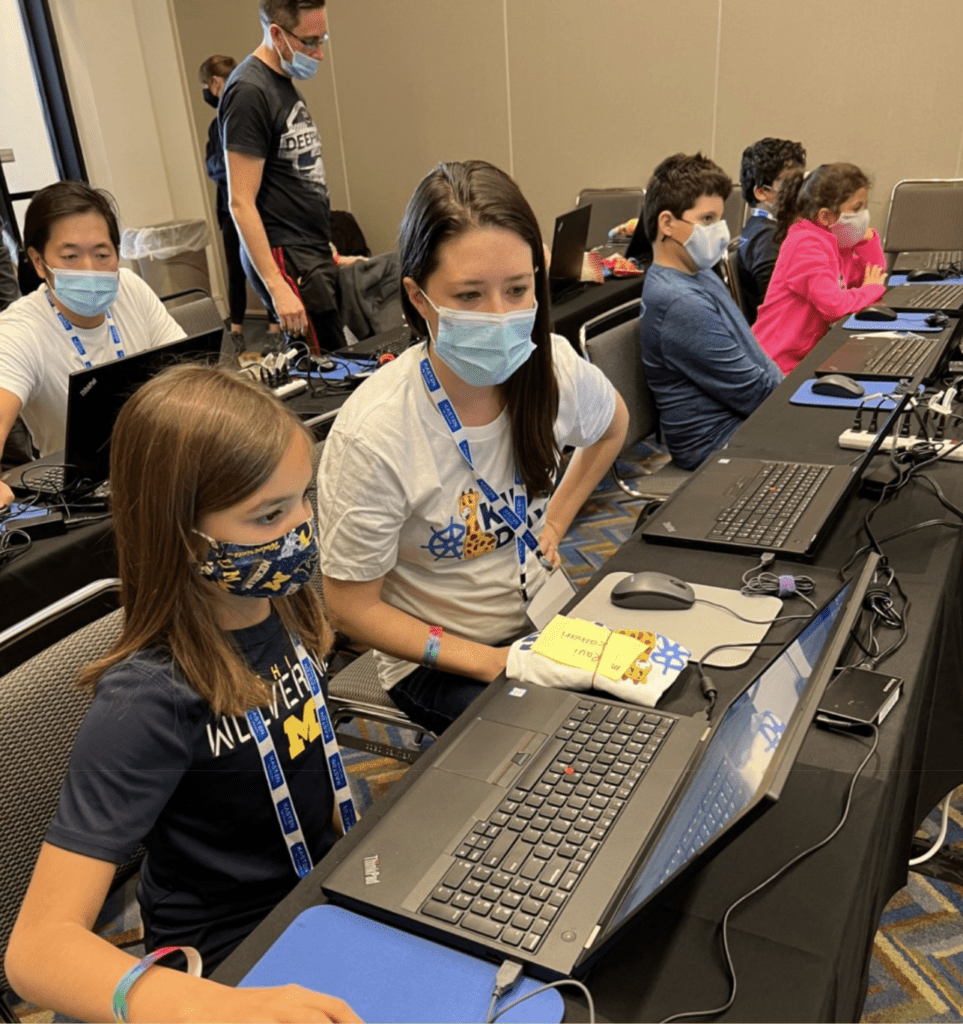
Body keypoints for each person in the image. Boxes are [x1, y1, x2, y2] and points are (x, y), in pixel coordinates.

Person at [5, 364, 361, 1023]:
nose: (302, 529)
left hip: (318, 899)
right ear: (182, 535)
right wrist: (213, 1008)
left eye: (303, 498)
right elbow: (35, 951)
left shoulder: (280, 606)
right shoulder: (146, 700)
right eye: (269, 515)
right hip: (224, 963)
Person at [317, 160, 629, 735]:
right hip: (439, 660)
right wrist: (491, 663)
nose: (501, 316)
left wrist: (554, 525)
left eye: (518, 289)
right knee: (563, 743)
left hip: (538, 621)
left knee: (640, 712)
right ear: (417, 297)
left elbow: (613, 427)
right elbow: (349, 604)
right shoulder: (376, 432)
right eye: (469, 295)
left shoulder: (551, 365)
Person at [0, 181, 184, 506]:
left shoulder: (130, 288)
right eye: (70, 256)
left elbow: (189, 375)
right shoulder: (19, 329)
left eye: (102, 254)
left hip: (163, 462)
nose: (90, 270)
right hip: (84, 497)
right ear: (39, 262)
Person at [219, 0, 352, 354]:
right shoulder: (249, 91)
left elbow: (294, 182)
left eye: (322, 39)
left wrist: (327, 252)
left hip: (308, 252)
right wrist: (277, 285)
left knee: (341, 358)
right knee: (330, 370)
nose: (319, 54)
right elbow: (240, 201)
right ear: (276, 34)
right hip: (286, 259)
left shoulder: (281, 83)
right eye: (309, 42)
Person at [639, 153, 783, 470]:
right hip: (714, 444)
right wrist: (795, 402)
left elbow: (754, 354)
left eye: (718, 219)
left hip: (737, 423)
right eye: (707, 220)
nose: (718, 230)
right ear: (667, 223)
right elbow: (753, 393)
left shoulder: (700, 273)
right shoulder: (677, 300)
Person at [753, 163, 888, 374]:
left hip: (804, 358)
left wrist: (866, 241)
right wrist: (870, 290)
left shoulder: (834, 243)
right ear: (825, 217)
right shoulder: (806, 246)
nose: (863, 215)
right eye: (856, 208)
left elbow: (873, 275)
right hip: (777, 363)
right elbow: (833, 306)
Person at [198, 54, 279, 352]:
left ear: (216, 84)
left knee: (263, 266)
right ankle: (236, 330)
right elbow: (213, 165)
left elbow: (240, 164)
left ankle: (274, 328)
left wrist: (229, 169)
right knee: (234, 270)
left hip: (257, 207)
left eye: (207, 86)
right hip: (228, 209)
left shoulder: (247, 113)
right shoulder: (214, 127)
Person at [737, 137, 807, 322]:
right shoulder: (766, 238)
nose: (799, 190)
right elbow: (777, 313)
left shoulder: (761, 228)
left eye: (800, 181)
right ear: (762, 192)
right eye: (789, 183)